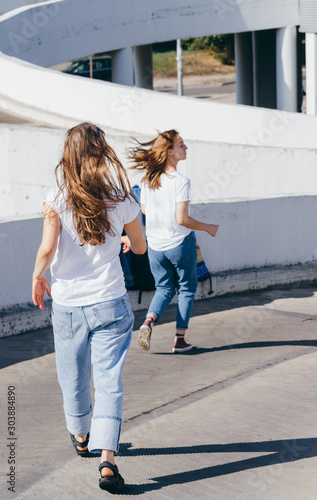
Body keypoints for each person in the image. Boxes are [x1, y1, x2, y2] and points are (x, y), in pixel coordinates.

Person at [32, 122, 146, 493]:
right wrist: (125, 241)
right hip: (110, 302)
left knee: (73, 376)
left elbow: (48, 249)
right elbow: (141, 248)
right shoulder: (123, 199)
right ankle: (108, 461)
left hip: (68, 305)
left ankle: (82, 436)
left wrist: (38, 276)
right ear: (101, 153)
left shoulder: (56, 197)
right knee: (109, 381)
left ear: (69, 155)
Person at [128, 129, 219, 353]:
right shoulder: (181, 181)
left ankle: (148, 321)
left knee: (164, 288)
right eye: (181, 145)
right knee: (187, 289)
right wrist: (208, 227)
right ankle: (179, 340)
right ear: (169, 152)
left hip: (155, 248)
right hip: (179, 244)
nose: (185, 148)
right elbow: (182, 219)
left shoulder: (147, 180)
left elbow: (145, 210)